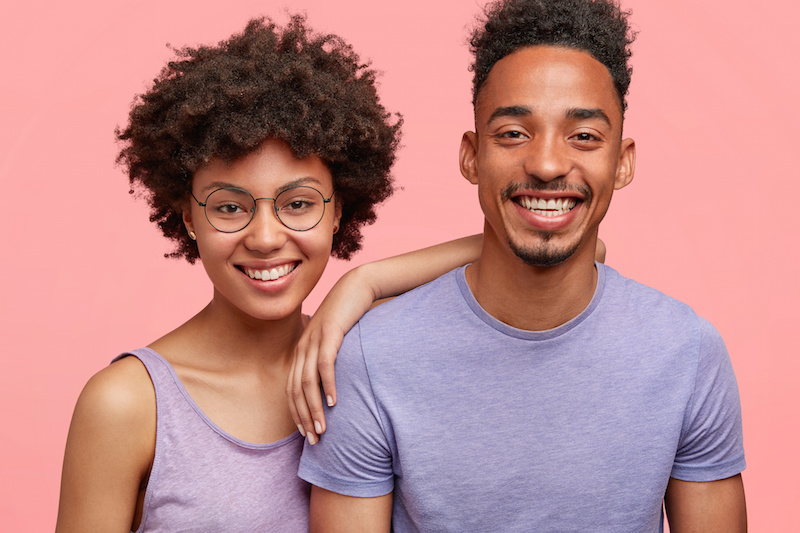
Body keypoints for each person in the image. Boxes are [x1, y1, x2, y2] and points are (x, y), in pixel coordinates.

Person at [296, 0, 747, 531]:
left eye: (584, 136)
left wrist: (368, 279)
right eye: (513, 133)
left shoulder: (687, 352)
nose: (548, 164)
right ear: (471, 156)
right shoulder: (371, 360)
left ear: (622, 163)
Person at [55, 15, 488, 532]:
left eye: (298, 202)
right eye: (230, 207)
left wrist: (363, 282)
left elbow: (579, 252)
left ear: (337, 211)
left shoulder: (367, 353)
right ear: (189, 217)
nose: (264, 238)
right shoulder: (127, 403)